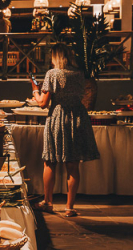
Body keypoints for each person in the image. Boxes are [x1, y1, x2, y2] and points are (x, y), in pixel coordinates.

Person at [31, 43, 99, 217]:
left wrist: (35, 90)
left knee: (50, 161)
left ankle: (48, 202)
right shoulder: (79, 74)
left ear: (55, 57)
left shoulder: (52, 74)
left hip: (58, 117)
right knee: (73, 164)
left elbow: (43, 103)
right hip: (77, 117)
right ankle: (70, 207)